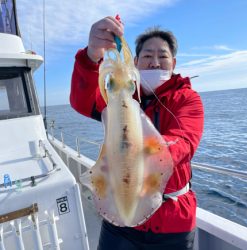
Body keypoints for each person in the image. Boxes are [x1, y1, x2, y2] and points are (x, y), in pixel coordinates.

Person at [70, 16, 204, 250]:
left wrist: (138, 151)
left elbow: (184, 142)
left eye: (162, 56)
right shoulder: (120, 98)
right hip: (119, 218)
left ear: (173, 62)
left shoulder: (187, 99)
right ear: (136, 62)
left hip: (171, 222)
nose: (154, 63)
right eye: (147, 56)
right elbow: (82, 100)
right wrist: (91, 56)